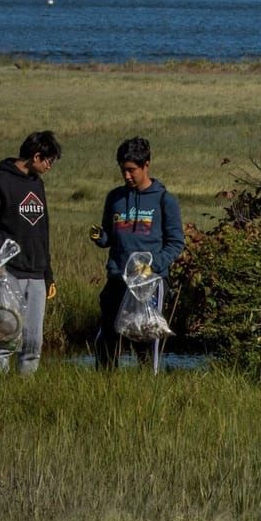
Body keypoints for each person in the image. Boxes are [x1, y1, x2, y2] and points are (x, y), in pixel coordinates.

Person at [0, 130, 60, 375]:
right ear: (36, 156)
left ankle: (24, 392)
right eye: (49, 161)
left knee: (33, 343)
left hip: (37, 276)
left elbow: (43, 231)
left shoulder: (37, 184)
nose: (50, 166)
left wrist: (48, 274)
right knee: (4, 340)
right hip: (8, 275)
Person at [89, 137, 184, 367]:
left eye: (132, 170)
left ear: (146, 165)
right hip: (117, 277)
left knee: (146, 339)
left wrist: (152, 265)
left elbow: (176, 243)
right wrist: (101, 238)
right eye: (123, 170)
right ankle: (105, 384)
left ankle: (147, 384)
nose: (127, 176)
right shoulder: (115, 198)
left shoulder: (164, 200)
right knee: (108, 338)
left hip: (150, 282)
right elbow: (110, 237)